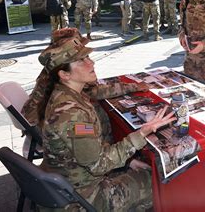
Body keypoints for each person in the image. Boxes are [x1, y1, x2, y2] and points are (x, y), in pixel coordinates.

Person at [38, 35, 175, 211]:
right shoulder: (72, 114)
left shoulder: (68, 95)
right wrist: (142, 133)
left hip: (74, 183)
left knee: (144, 170)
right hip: (85, 198)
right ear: (64, 74)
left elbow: (91, 146)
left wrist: (128, 161)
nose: (91, 63)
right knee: (157, 181)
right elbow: (98, 165)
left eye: (87, 57)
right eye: (81, 61)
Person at [22, 28, 147, 127]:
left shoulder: (56, 67)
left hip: (41, 120)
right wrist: (134, 86)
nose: (91, 62)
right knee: (101, 114)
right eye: (81, 58)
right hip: (40, 123)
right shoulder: (69, 105)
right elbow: (96, 91)